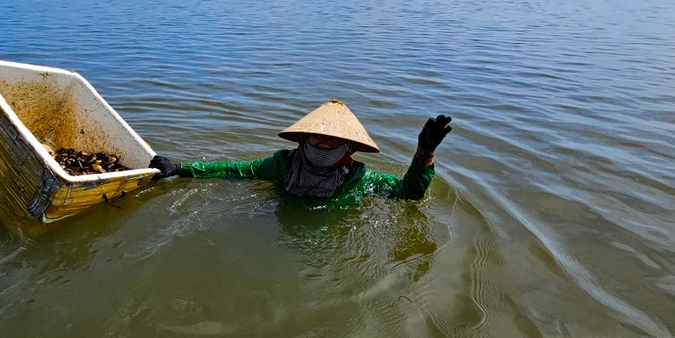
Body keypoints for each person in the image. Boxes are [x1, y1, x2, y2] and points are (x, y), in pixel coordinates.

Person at [148, 99, 452, 201]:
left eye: (334, 140)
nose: (323, 144)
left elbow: (407, 194)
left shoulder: (358, 178)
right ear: (302, 140)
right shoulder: (281, 165)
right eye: (316, 138)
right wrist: (182, 168)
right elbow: (234, 169)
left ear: (350, 148)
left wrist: (424, 152)